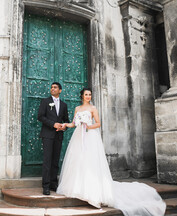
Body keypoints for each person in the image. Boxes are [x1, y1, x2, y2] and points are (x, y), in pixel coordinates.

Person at [57, 87, 166, 216]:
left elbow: (98, 123)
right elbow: (74, 123)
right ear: (82, 96)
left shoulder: (93, 109)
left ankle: (94, 193)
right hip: (78, 136)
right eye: (86, 94)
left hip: (90, 136)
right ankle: (78, 188)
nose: (88, 96)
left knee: (91, 162)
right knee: (79, 160)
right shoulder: (77, 109)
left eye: (90, 94)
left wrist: (88, 126)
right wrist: (65, 125)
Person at [37, 82, 69, 195]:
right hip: (47, 135)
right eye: (51, 87)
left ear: (60, 90)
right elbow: (40, 116)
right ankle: (45, 186)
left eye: (55, 87)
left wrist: (63, 127)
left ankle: (53, 184)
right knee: (47, 160)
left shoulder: (64, 105)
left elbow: (66, 120)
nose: (52, 89)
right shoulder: (45, 102)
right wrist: (53, 124)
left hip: (58, 136)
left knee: (55, 161)